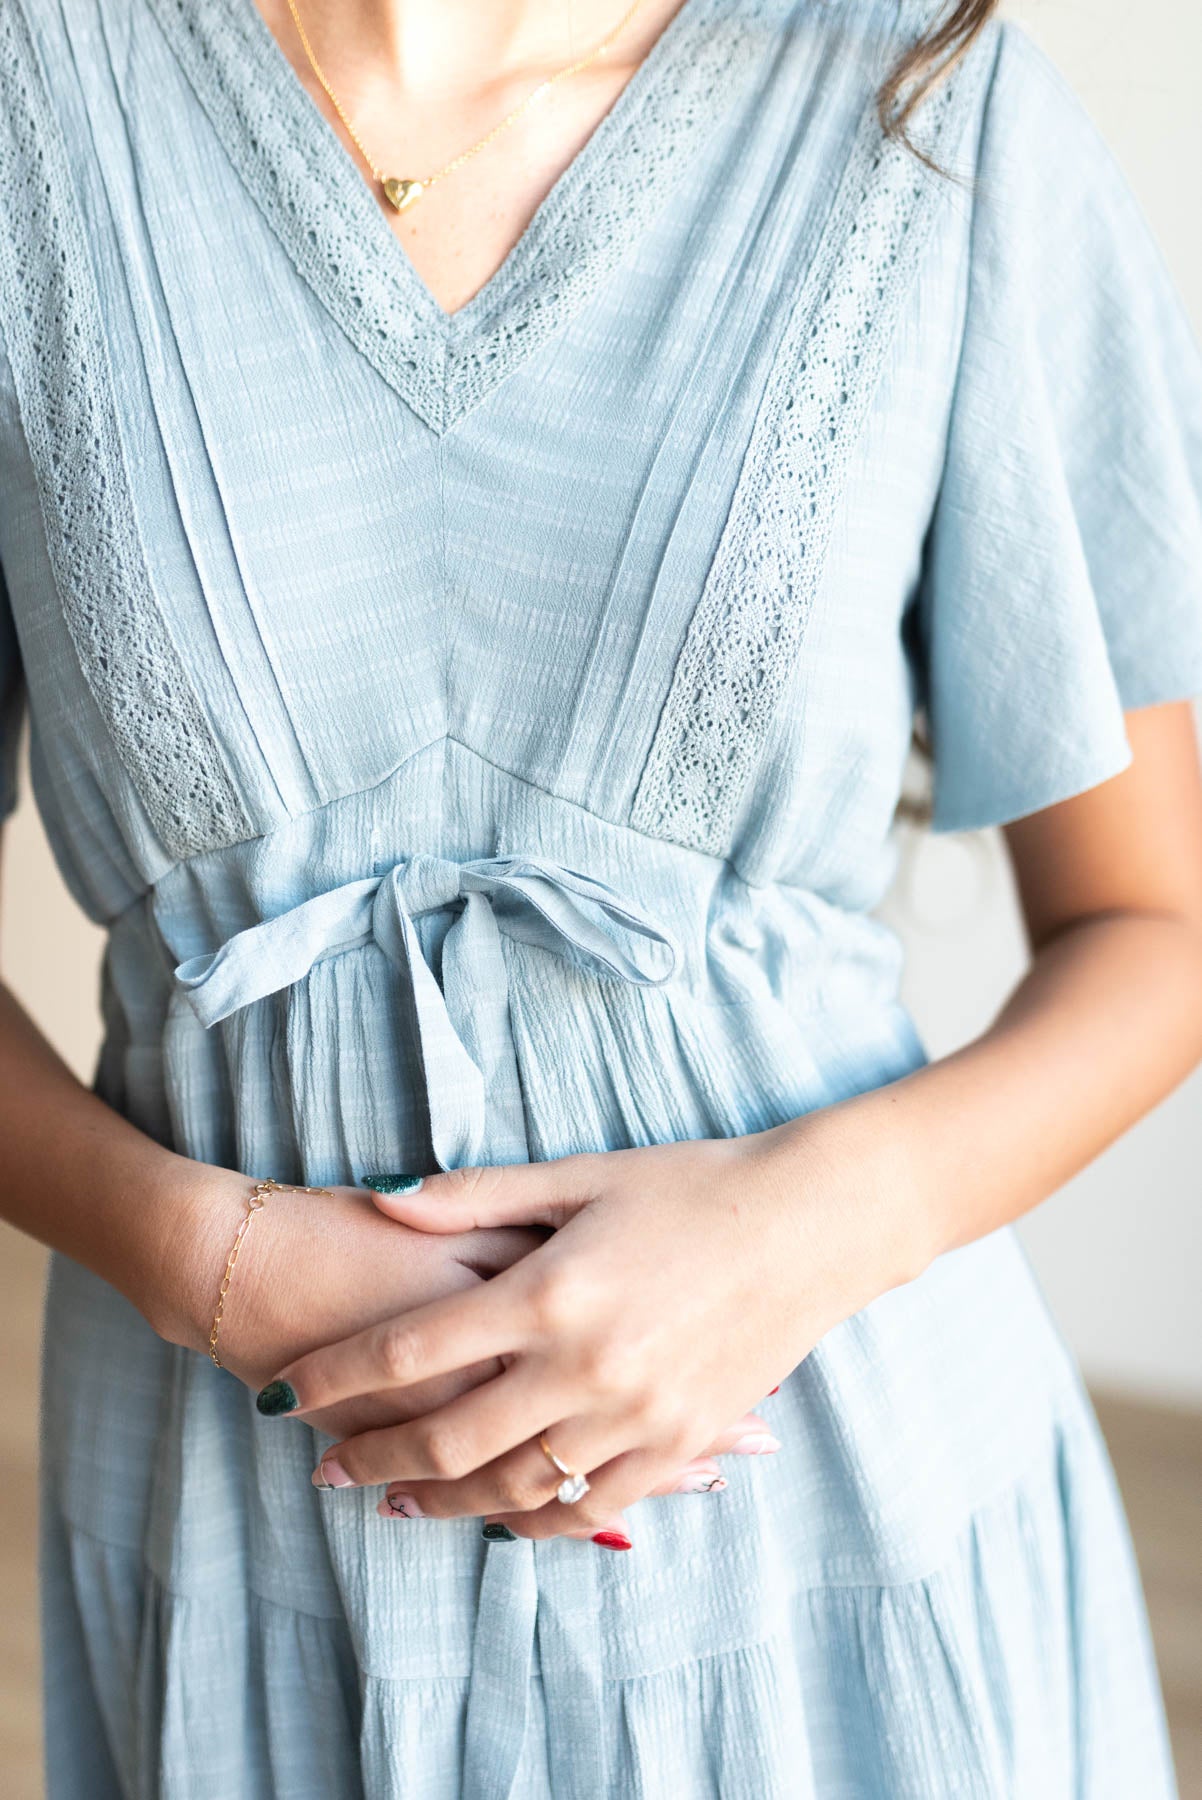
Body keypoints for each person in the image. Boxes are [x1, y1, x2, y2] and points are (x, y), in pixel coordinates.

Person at [1, 0, 1201, 1793]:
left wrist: (779, 1246)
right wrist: (212, 1263)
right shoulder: (37, 99)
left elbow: (1155, 934)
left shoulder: (926, 117)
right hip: (238, 1491)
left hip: (831, 1484)